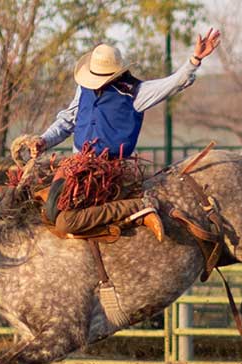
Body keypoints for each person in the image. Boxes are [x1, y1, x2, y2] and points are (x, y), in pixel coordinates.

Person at [31, 29, 221, 241]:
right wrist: (44, 140)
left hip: (108, 170)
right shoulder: (83, 87)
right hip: (75, 165)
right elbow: (68, 120)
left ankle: (139, 205)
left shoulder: (134, 93)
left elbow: (173, 83)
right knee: (46, 209)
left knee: (66, 221)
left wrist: (194, 60)